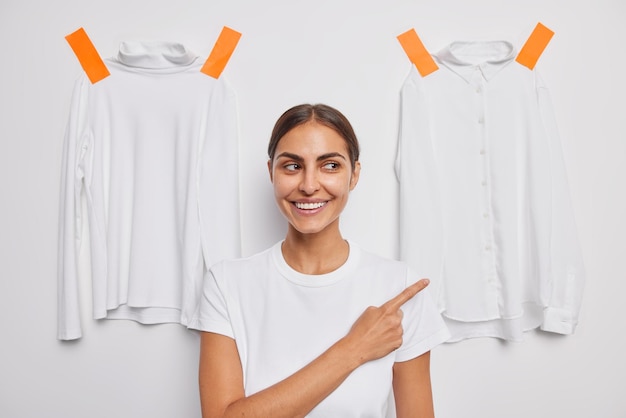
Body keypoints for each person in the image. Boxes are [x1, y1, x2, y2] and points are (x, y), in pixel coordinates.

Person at [188, 104, 450, 417]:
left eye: (330, 166)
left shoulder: (398, 289)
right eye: (292, 166)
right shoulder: (227, 284)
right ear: (271, 171)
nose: (309, 185)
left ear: (354, 175)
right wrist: (355, 348)